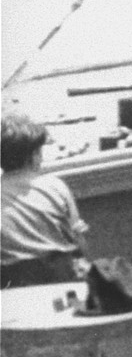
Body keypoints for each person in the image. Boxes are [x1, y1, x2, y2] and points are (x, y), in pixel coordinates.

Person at [2, 110, 90, 288]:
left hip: (12, 283)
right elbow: (79, 242)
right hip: (61, 277)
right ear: (34, 155)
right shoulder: (55, 186)